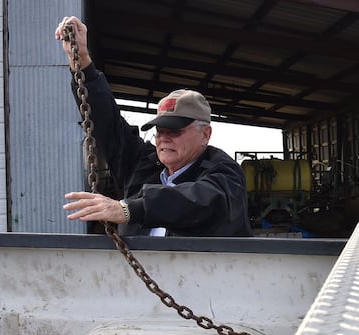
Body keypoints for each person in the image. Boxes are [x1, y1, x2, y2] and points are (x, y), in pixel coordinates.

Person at [55, 16, 252, 237]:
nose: (164, 138)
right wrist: (81, 59)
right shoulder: (143, 164)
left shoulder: (224, 173)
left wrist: (129, 209)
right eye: (160, 130)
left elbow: (200, 199)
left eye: (175, 130)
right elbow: (107, 122)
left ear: (205, 134)